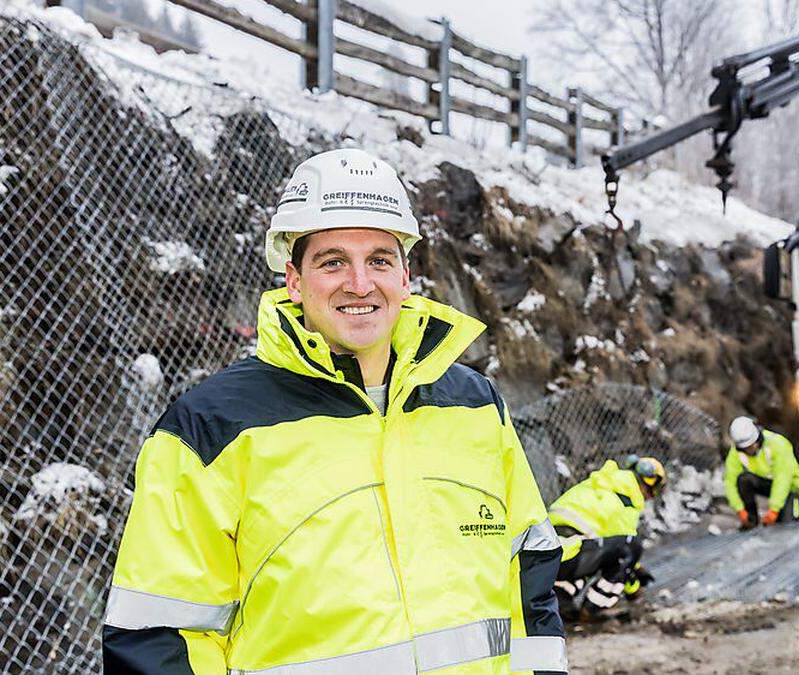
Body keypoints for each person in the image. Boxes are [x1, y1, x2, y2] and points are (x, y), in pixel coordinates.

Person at [101, 148, 567, 674]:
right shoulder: (211, 430)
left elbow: (528, 587)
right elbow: (159, 637)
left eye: (380, 260)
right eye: (333, 261)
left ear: (406, 277)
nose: (361, 284)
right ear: (293, 279)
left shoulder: (476, 405)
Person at [548, 456, 666, 616]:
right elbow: (625, 553)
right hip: (569, 555)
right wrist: (634, 590)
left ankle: (561, 602)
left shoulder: (598, 483)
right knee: (632, 545)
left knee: (591, 548)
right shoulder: (627, 501)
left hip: (548, 555)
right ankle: (590, 612)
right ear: (649, 486)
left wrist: (636, 568)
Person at [724, 416, 799, 529]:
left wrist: (774, 510)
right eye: (746, 448)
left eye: (751, 445)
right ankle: (751, 520)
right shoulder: (737, 451)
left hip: (789, 487)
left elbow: (783, 479)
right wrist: (739, 509)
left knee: (788, 526)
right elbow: (729, 481)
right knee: (744, 480)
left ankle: (795, 509)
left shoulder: (778, 444)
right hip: (767, 483)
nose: (749, 450)